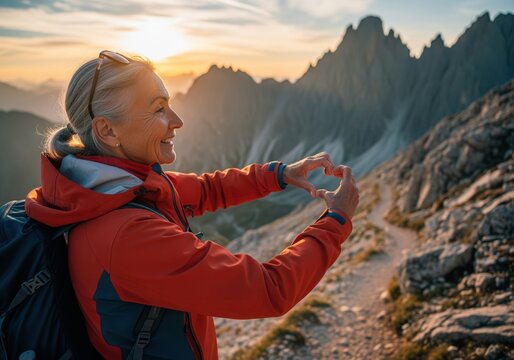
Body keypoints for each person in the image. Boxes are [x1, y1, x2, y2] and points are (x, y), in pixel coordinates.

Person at [25, 50, 359, 359]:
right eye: (158, 109)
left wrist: (281, 174)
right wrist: (336, 220)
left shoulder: (107, 185)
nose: (177, 119)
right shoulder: (127, 236)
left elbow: (206, 189)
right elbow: (268, 290)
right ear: (108, 131)